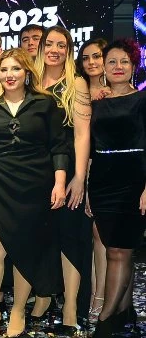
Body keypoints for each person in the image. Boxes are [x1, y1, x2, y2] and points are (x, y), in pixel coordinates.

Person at [0, 48, 67, 338]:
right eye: (4, 70)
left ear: (27, 72)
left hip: (36, 184)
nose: (9, 75)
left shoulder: (45, 103)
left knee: (26, 248)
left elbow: (59, 146)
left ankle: (17, 312)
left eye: (15, 69)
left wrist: (60, 183)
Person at [34, 26, 92, 333]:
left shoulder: (76, 83)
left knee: (69, 237)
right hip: (34, 168)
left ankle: (70, 308)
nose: (54, 50)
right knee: (42, 237)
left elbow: (82, 134)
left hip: (67, 167)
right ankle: (43, 297)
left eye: (61, 45)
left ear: (68, 50)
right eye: (49, 44)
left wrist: (79, 177)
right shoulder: (30, 79)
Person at [89, 39, 145, 338]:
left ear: (134, 66)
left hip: (134, 180)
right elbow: (90, 148)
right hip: (102, 180)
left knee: (119, 250)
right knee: (115, 247)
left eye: (124, 61)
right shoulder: (98, 101)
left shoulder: (142, 100)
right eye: (112, 61)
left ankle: (106, 318)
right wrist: (87, 188)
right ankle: (124, 312)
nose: (118, 67)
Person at [76, 38, 109, 321]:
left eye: (96, 56)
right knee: (88, 237)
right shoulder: (78, 89)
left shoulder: (119, 91)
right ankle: (91, 294)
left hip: (111, 170)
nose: (91, 63)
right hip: (84, 169)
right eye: (85, 58)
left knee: (103, 235)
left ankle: (102, 297)